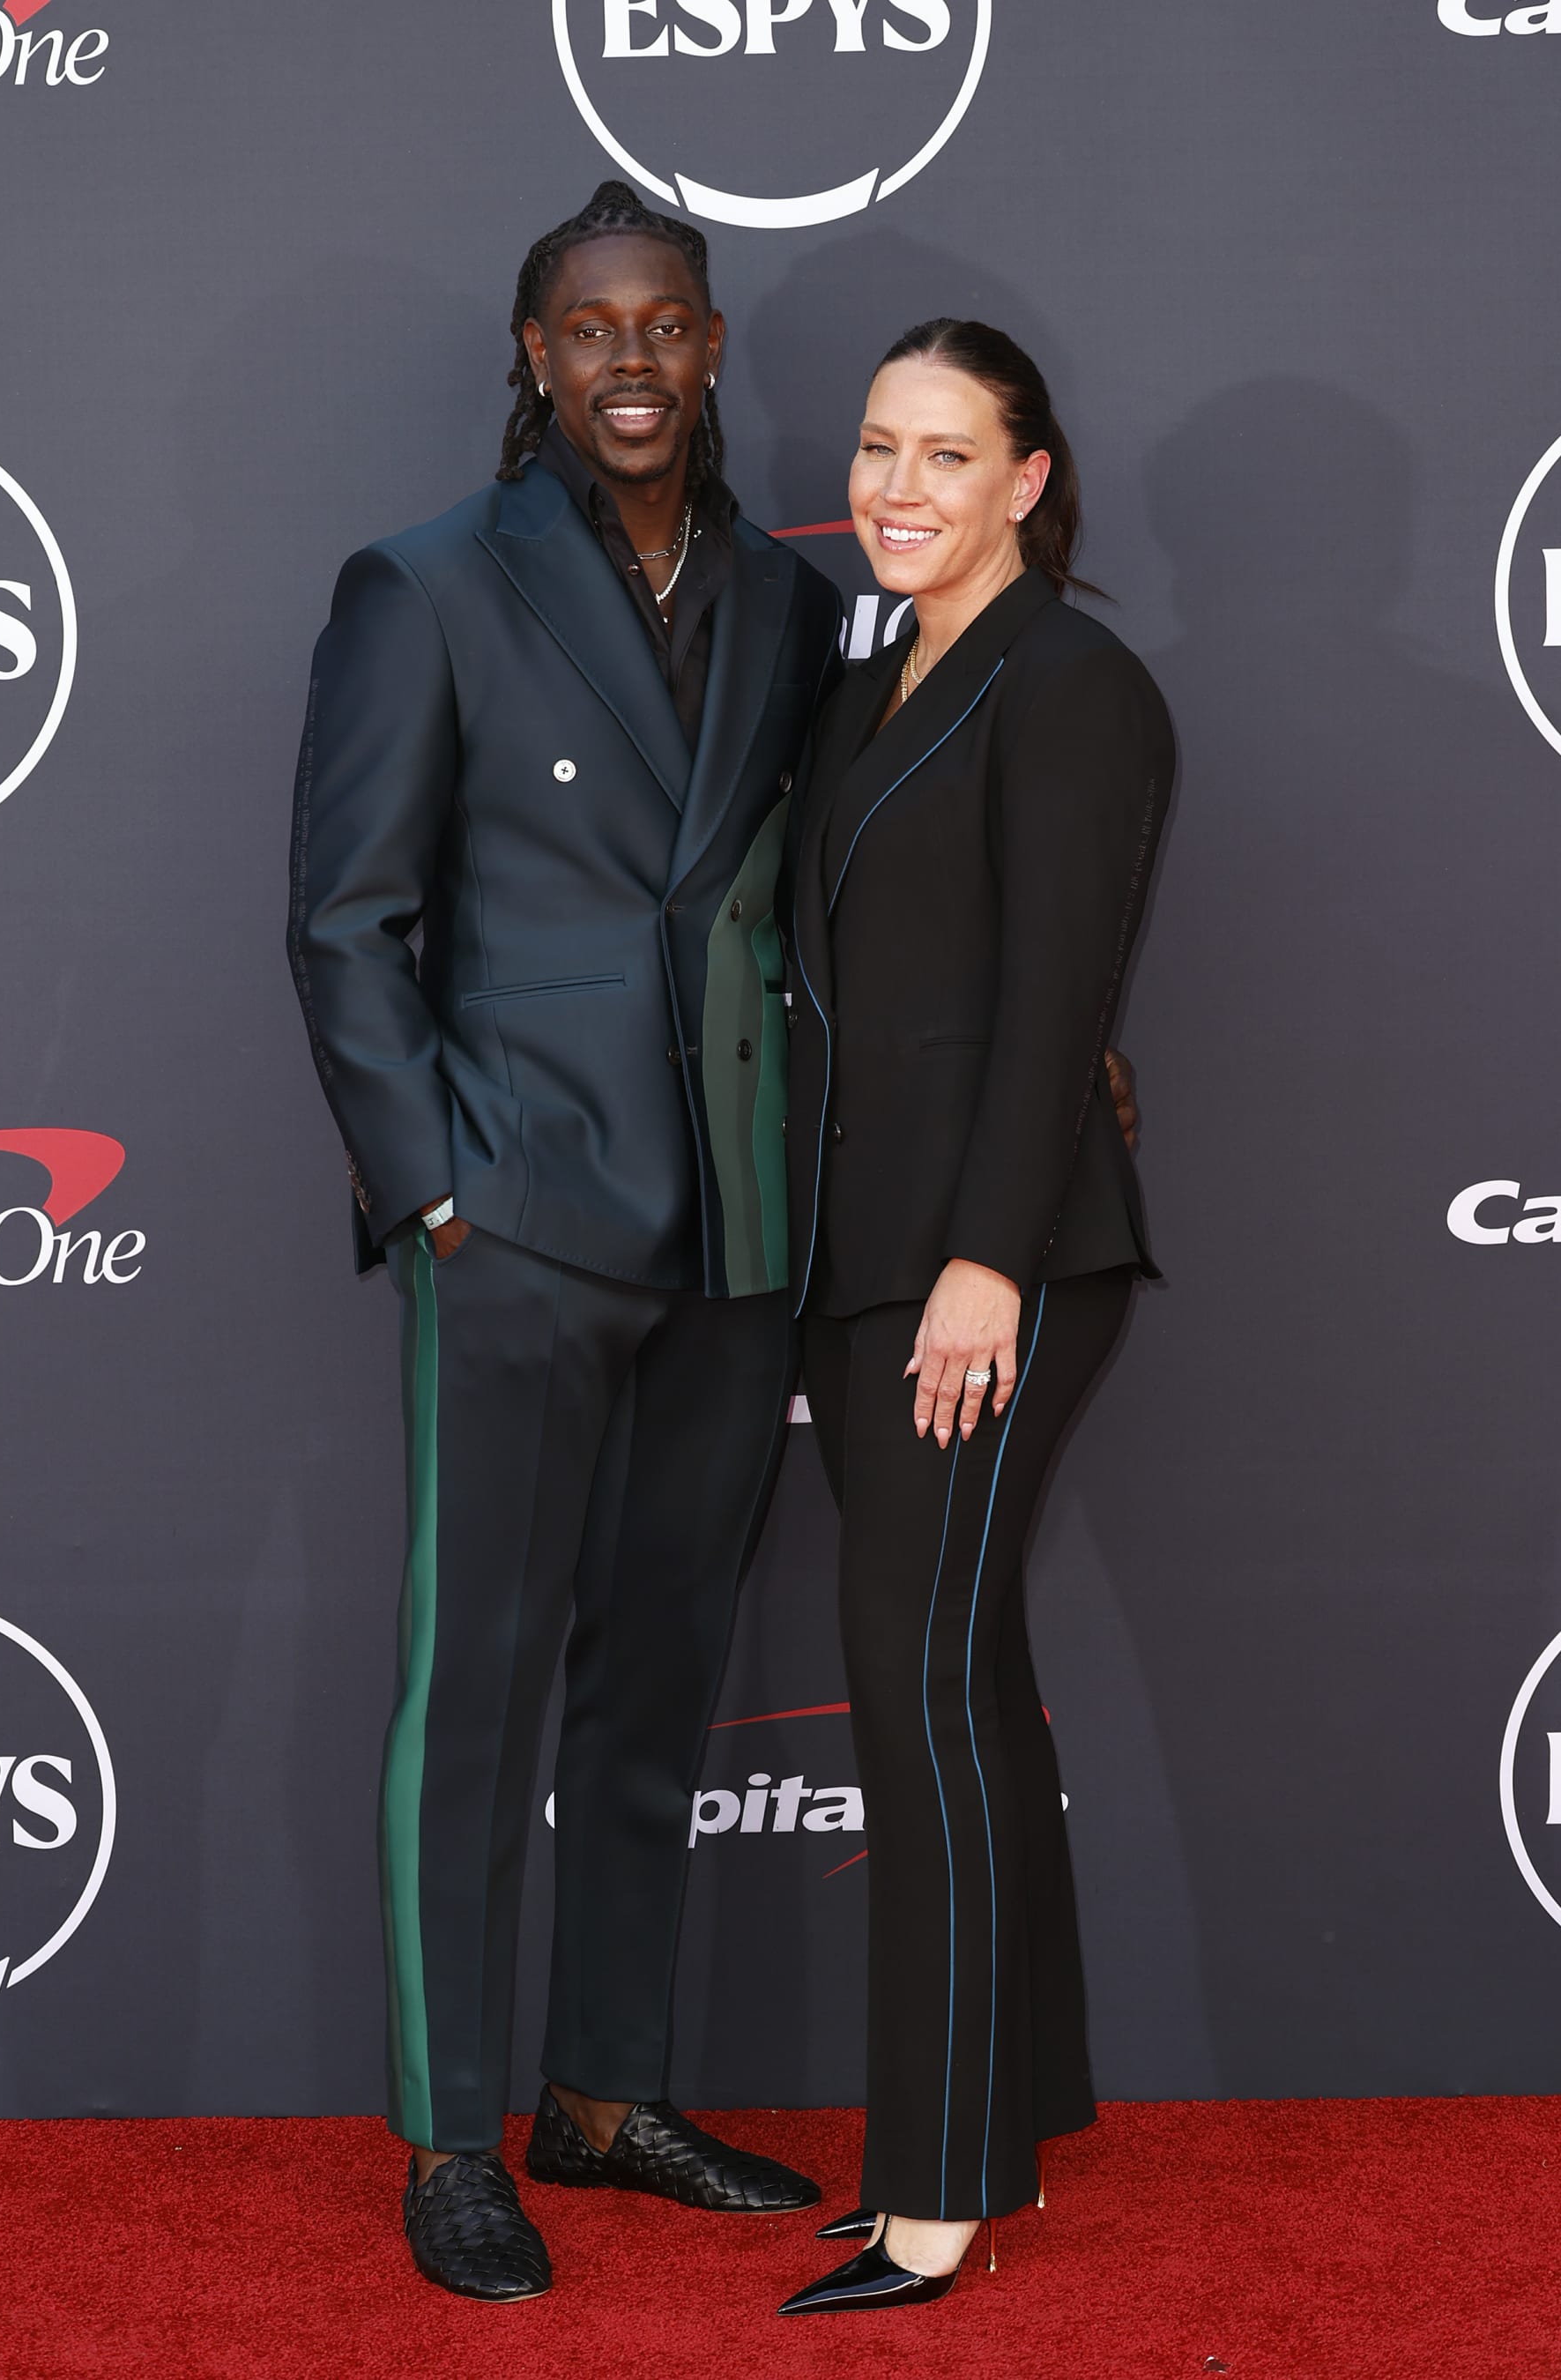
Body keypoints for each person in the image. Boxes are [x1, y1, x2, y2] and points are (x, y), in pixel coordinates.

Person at [286, 180, 844, 2303]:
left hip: (736, 1221)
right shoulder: (424, 583)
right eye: (588, 327)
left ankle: (605, 2098)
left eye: (667, 323)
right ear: (535, 359)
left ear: (711, 352)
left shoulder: (791, 612)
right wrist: (432, 1185)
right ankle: (450, 2141)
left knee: (659, 1681)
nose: (630, 358)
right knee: (478, 1687)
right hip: (512, 1216)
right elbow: (348, 920)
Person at [777, 320, 1175, 2316]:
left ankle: (936, 2191)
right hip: (872, 1264)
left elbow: (1055, 1003)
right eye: (877, 448)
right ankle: (1001, 2113)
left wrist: (986, 1262)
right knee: (960, 1681)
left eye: (948, 454)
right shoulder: (883, 680)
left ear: (1030, 479)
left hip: (981, 1272)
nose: (900, 487)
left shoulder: (1075, 681)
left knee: (920, 1698)